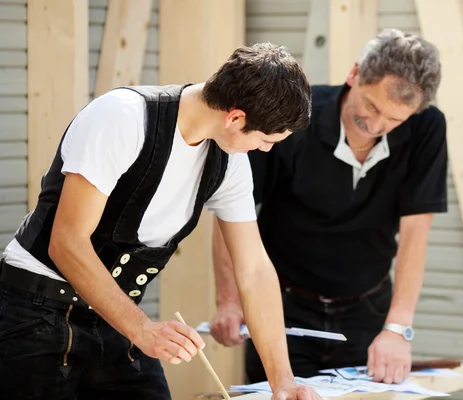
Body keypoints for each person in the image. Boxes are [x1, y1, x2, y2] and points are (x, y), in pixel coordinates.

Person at [0, 43, 322, 400]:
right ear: (236, 118)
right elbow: (67, 242)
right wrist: (142, 329)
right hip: (34, 315)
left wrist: (283, 381)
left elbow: (255, 270)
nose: (266, 150)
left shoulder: (229, 162)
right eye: (265, 140)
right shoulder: (122, 117)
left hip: (115, 319)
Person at [209, 29, 447, 385]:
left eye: (395, 120)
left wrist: (398, 329)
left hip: (366, 307)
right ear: (354, 75)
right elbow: (230, 213)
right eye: (371, 106)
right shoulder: (295, 119)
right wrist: (229, 300)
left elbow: (416, 230)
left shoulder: (427, 128)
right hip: (283, 305)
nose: (376, 126)